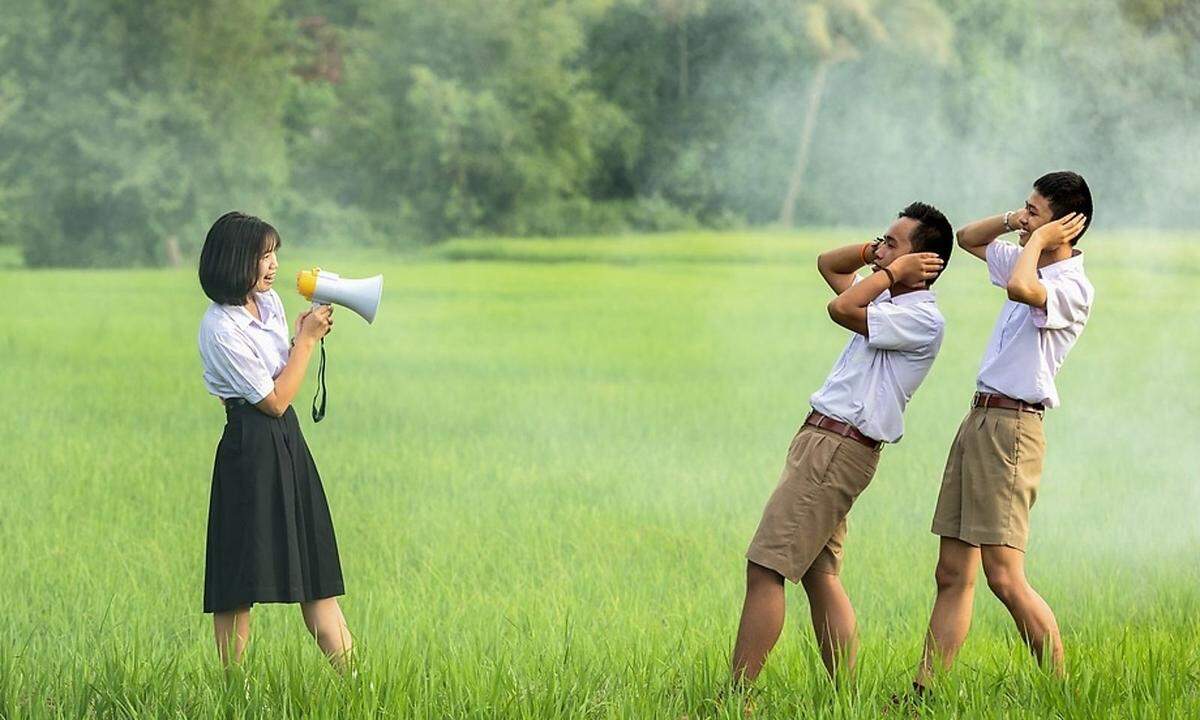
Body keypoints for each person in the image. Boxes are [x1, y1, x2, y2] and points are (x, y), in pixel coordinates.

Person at [732, 202, 953, 684]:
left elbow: (841, 307)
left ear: (924, 263)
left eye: (893, 243)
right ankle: (847, 697)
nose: (880, 251)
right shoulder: (888, 301)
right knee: (819, 574)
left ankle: (733, 701)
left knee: (765, 568)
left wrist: (891, 271)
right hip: (825, 442)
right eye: (882, 240)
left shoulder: (920, 318)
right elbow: (828, 265)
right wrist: (877, 254)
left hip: (837, 447)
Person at [914, 171, 1094, 691]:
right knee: (951, 572)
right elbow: (968, 239)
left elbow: (1020, 287)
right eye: (1025, 208)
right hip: (980, 419)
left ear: (1065, 227)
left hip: (1014, 428)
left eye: (1034, 211)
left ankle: (1060, 692)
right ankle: (925, 693)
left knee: (1004, 576)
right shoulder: (1027, 254)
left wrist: (1038, 239)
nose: (1023, 219)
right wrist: (1020, 223)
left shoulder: (1072, 286)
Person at [197, 211, 352, 667]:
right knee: (238, 577)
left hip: (287, 442)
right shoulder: (220, 329)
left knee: (315, 569)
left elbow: (284, 380)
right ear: (234, 260)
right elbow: (275, 400)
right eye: (263, 255)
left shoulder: (268, 305)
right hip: (249, 445)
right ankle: (235, 691)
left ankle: (358, 685)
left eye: (274, 254)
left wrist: (304, 337)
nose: (273, 265)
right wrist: (304, 342)